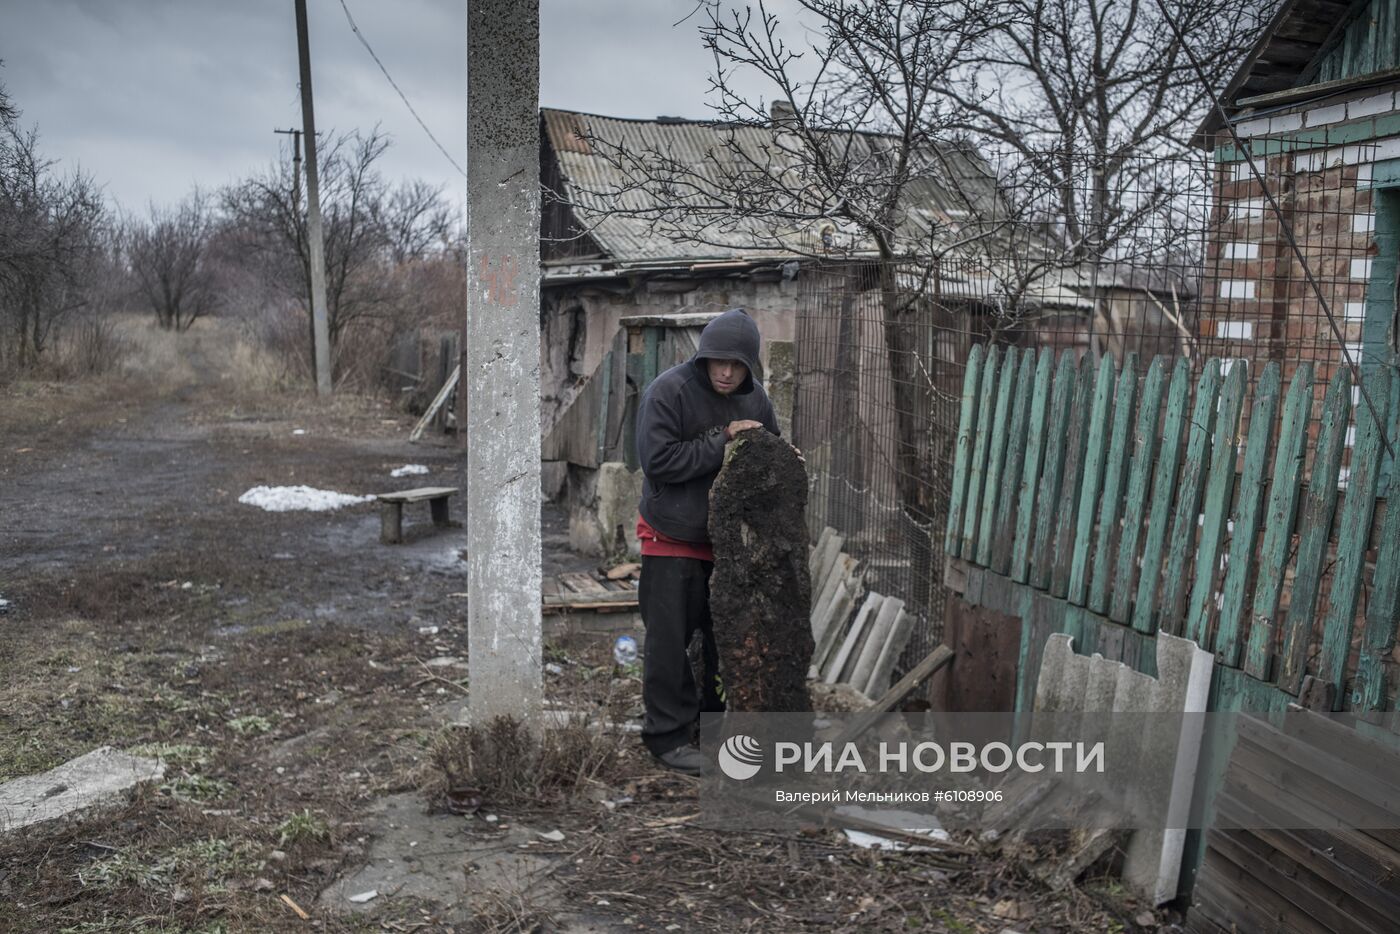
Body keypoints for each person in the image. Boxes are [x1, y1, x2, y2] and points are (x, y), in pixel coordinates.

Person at [634, 308, 780, 774]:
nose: (726, 372)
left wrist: (782, 460)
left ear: (748, 368)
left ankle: (711, 729)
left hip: (726, 543)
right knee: (669, 643)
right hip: (671, 535)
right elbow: (658, 461)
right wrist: (724, 439)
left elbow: (768, 455)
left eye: (737, 365)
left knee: (723, 641)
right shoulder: (669, 392)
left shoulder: (756, 399)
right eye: (719, 361)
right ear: (703, 357)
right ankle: (667, 737)